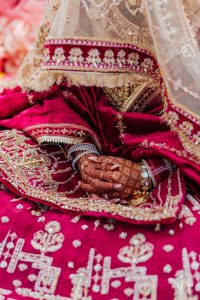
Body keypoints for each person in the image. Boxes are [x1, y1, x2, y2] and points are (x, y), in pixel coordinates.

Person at [0, 1, 199, 299]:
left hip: (180, 158)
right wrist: (82, 153)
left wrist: (151, 170)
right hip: (82, 139)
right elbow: (59, 82)